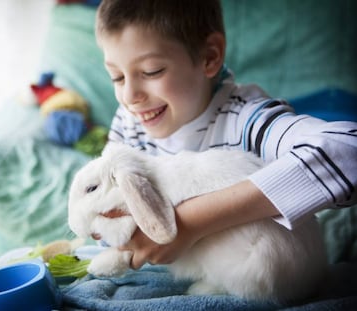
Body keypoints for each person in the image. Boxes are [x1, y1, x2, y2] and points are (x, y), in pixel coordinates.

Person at [94, 0, 357, 270]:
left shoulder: (246, 122)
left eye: (152, 71)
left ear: (210, 57)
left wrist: (190, 223)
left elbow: (349, 150)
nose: (129, 97)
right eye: (117, 77)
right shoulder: (130, 122)